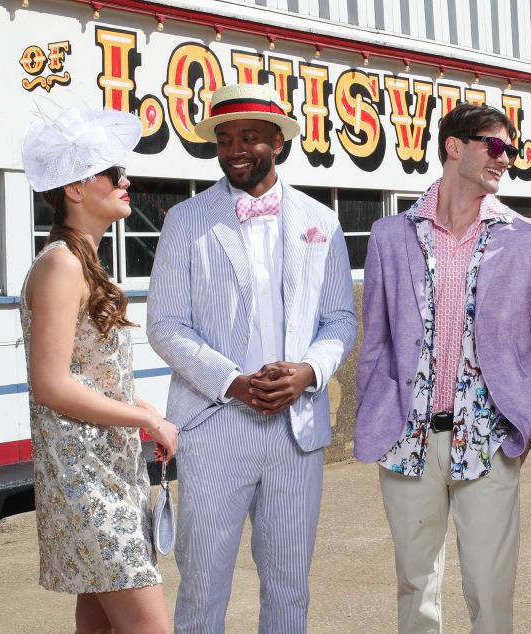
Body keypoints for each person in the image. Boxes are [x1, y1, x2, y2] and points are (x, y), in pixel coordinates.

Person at [146, 83, 357, 633]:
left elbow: (340, 320)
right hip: (214, 426)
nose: (234, 149)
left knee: (289, 589)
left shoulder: (322, 221)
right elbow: (164, 325)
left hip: (296, 431)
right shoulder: (186, 220)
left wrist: (308, 372)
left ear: (278, 144)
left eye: (249, 138)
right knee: (202, 585)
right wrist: (232, 382)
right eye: (224, 139)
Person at [354, 103, 531, 633]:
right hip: (408, 436)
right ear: (455, 146)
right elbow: (375, 338)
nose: (506, 160)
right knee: (415, 584)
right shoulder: (389, 235)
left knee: (491, 590)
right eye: (496, 146)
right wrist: (377, 410)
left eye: (511, 152)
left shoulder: (528, 239)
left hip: (490, 438)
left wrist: (530, 424)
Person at [19, 107, 177, 634]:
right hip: (86, 477)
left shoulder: (76, 259)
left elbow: (87, 372)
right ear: (75, 188)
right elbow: (52, 383)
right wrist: (146, 419)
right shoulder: (63, 263)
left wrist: (140, 411)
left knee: (100, 626)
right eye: (112, 172)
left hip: (104, 470)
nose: (125, 181)